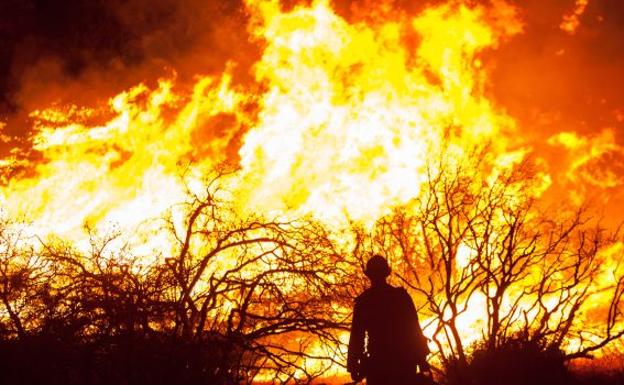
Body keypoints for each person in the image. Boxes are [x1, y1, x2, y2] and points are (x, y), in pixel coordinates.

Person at [347, 255, 430, 385]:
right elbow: (414, 330)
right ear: (386, 272)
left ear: (369, 275)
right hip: (403, 363)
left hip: (379, 366)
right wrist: (421, 359)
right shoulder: (401, 297)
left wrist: (353, 364)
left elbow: (357, 336)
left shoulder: (364, 301)